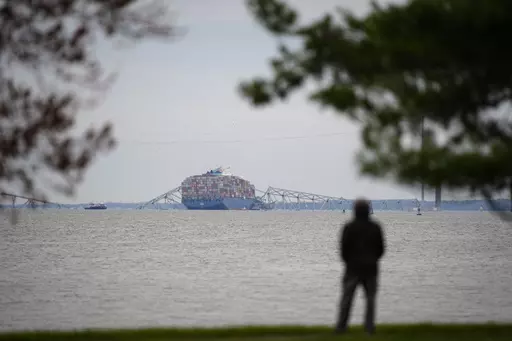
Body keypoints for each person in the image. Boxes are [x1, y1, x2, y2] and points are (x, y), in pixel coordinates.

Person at [335, 198, 385, 335]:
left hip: (352, 268)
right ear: (368, 211)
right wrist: (373, 259)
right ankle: (369, 328)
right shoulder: (375, 227)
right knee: (370, 300)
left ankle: (341, 327)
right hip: (371, 268)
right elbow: (381, 249)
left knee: (346, 299)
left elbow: (343, 249)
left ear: (355, 211)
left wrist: (348, 261)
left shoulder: (349, 227)